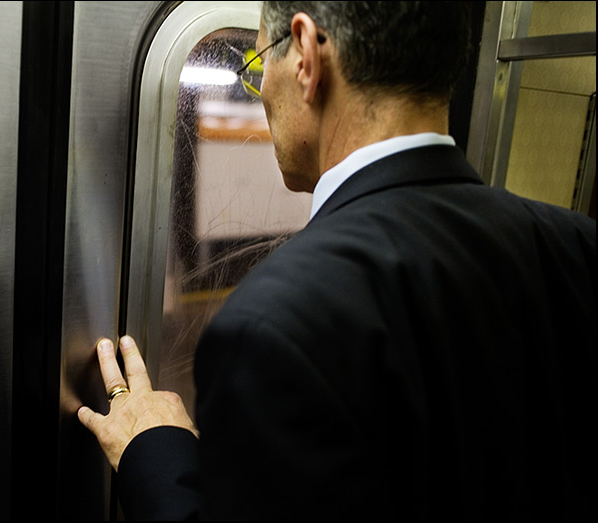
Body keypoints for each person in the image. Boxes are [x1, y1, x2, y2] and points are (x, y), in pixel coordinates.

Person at [78, 2, 597, 520]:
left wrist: (154, 453)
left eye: (258, 65)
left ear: (305, 54)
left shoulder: (275, 323)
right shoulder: (576, 246)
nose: (261, 97)